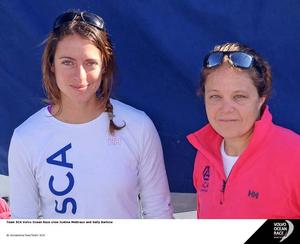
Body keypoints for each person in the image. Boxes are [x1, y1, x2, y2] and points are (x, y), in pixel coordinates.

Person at [8, 10, 173, 219]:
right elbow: (24, 226)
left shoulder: (138, 126)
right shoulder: (26, 138)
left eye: (90, 63)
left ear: (104, 66)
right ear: (52, 65)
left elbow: (159, 215)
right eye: (67, 62)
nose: (80, 75)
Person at [187, 42, 300, 218]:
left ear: (261, 99)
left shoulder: (295, 155)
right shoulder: (204, 154)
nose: (226, 109)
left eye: (239, 97)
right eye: (215, 96)